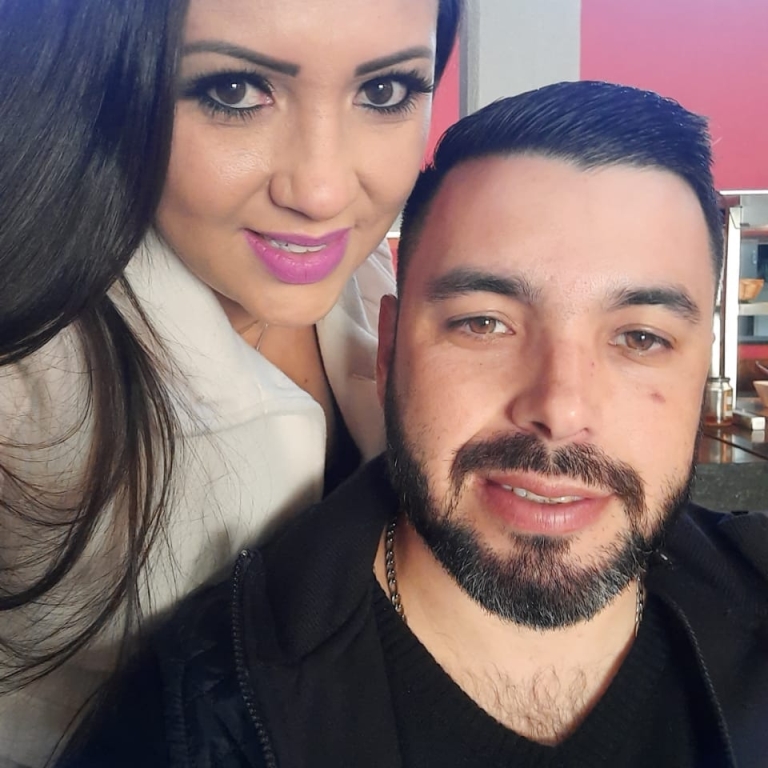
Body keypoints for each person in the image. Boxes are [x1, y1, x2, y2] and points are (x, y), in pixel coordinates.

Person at [62, 80, 768, 767]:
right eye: (483, 323)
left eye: (641, 338)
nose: (560, 410)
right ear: (389, 351)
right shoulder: (191, 716)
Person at [0, 0, 462, 764]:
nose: (321, 191)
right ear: (109, 77)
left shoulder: (376, 286)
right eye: (236, 90)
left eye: (383, 91)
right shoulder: (23, 400)